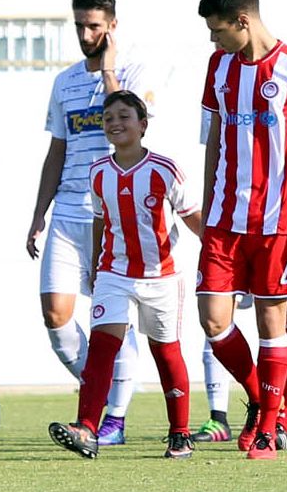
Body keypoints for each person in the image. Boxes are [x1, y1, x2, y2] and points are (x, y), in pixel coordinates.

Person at [193, 0, 287, 459]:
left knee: (273, 324)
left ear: (243, 22)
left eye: (218, 31)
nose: (214, 40)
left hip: (280, 222)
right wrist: (209, 201)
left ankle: (269, 429)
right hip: (225, 219)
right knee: (213, 320)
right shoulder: (219, 66)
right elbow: (214, 140)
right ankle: (259, 398)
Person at [28, 0, 159, 445]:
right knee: (55, 313)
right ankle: (100, 388)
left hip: (115, 213)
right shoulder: (63, 82)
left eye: (95, 26)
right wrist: (38, 212)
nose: (86, 34)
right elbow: (57, 149)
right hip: (67, 210)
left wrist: (108, 74)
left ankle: (113, 420)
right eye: (80, 25)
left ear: (112, 26)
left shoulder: (134, 71)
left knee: (111, 319)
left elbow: (128, 133)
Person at [50, 91, 198, 458]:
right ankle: (86, 427)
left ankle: (180, 432)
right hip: (114, 272)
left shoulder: (165, 169)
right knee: (103, 347)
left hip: (161, 276)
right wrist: (96, 267)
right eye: (109, 118)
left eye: (124, 116)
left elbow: (195, 219)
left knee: (166, 353)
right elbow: (101, 220)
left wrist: (220, 263)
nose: (115, 123)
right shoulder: (98, 171)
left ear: (142, 125)